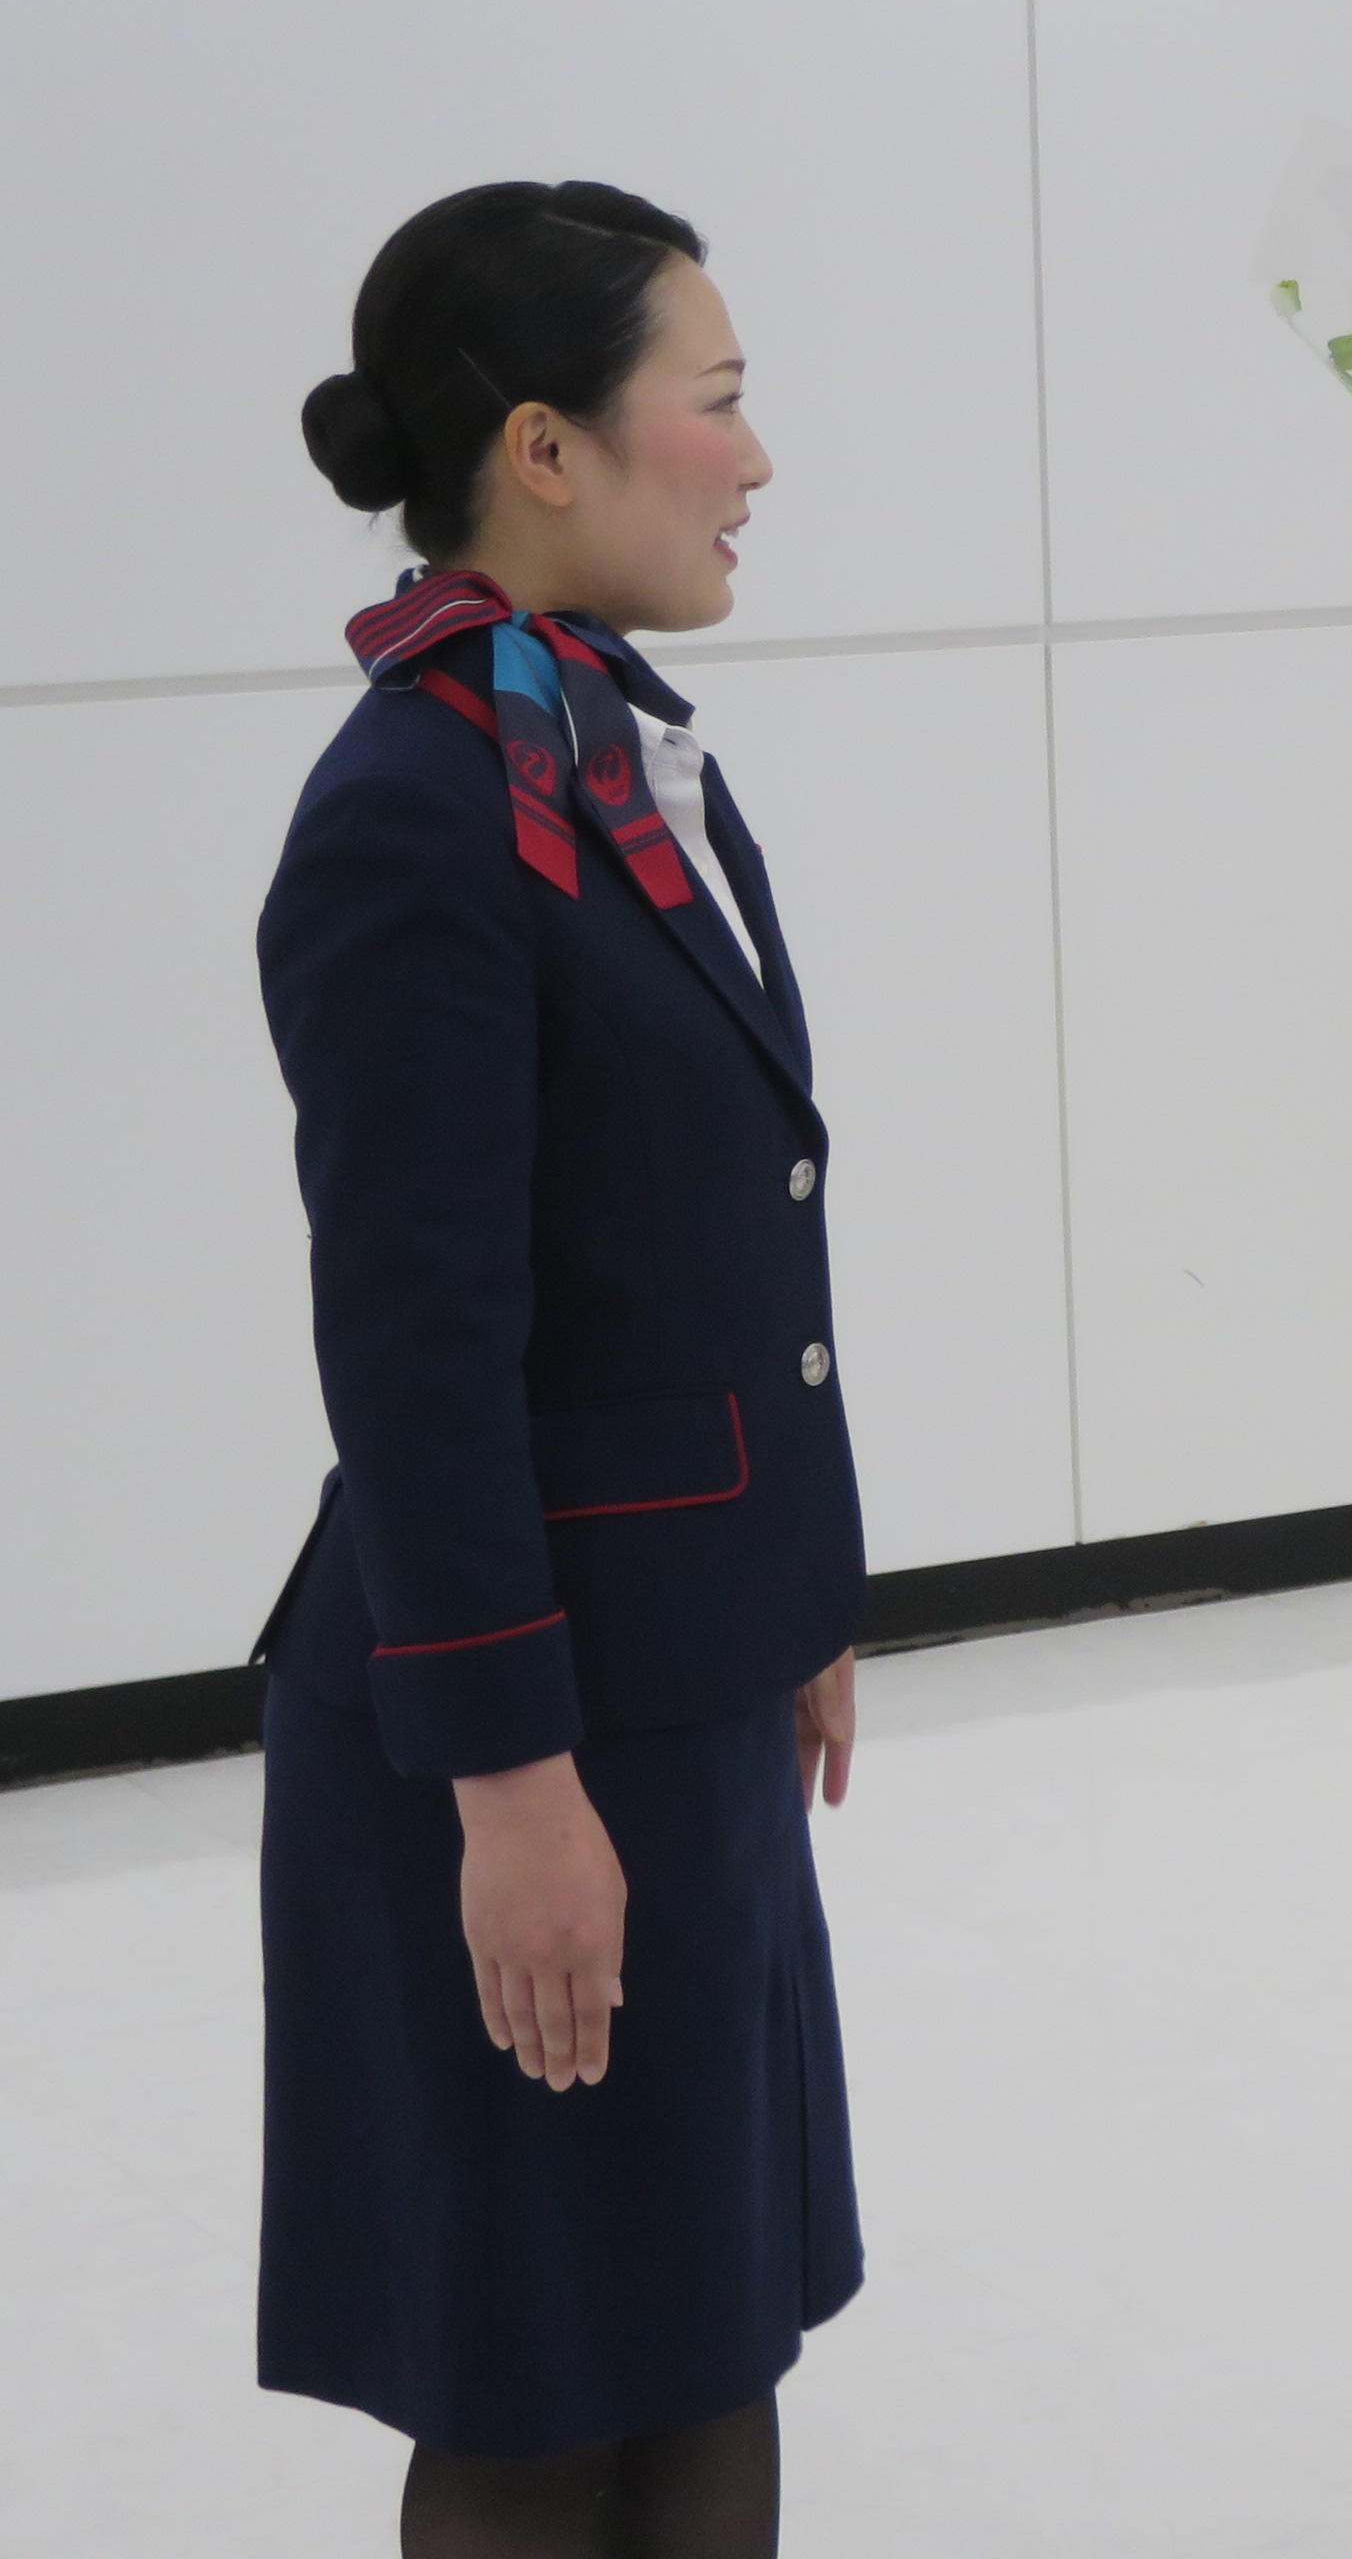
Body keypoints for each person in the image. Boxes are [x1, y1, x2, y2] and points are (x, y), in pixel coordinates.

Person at [257, 181, 868, 2556]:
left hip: (679, 1674)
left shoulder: (597, 746)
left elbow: (713, 1228)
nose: (753, 457)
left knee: (700, 2318)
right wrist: (509, 1784)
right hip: (520, 1725)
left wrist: (792, 1586)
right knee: (539, 2377)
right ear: (543, 445)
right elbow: (416, 1355)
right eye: (714, 403)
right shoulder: (418, 812)